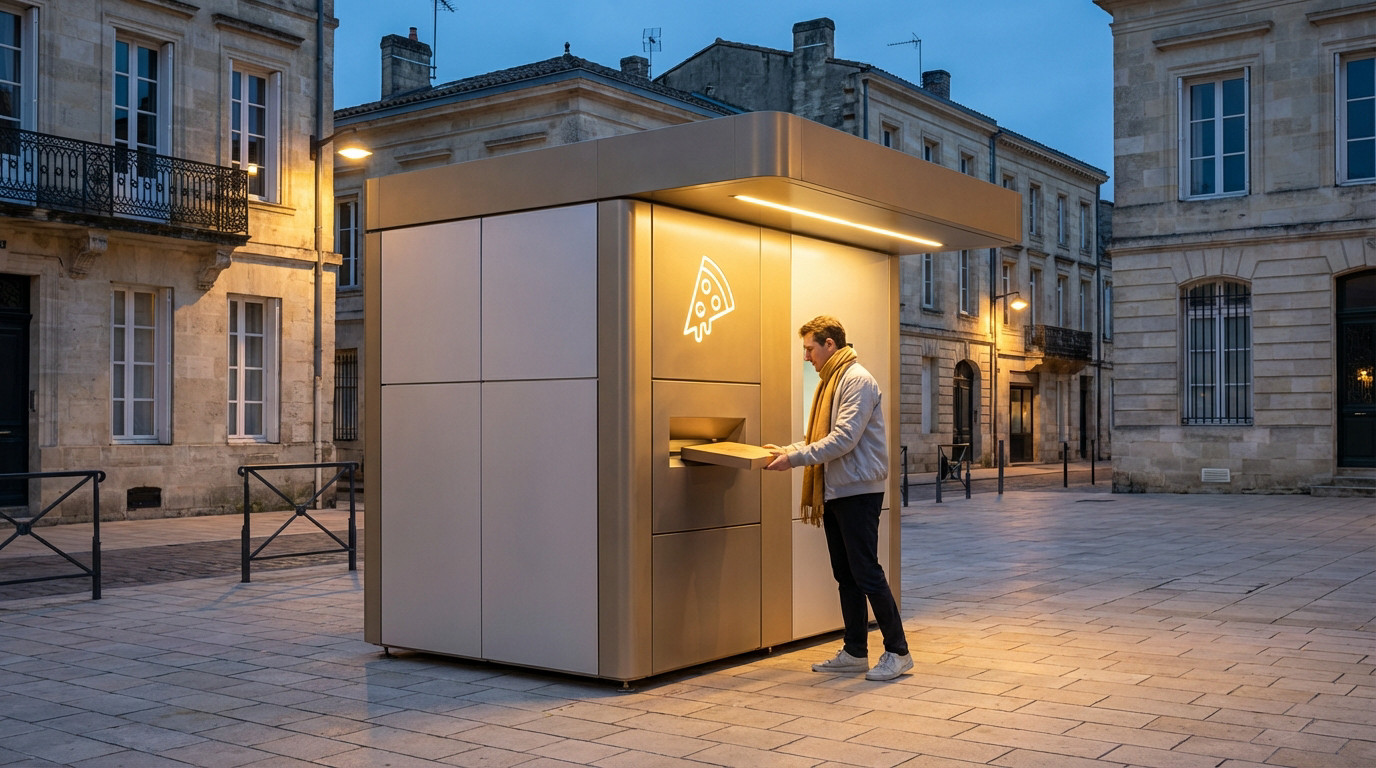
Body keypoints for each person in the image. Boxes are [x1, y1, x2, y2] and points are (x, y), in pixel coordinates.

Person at [764, 315, 912, 682]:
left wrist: (795, 459)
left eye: (809, 349)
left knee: (867, 572)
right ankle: (855, 651)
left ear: (829, 344)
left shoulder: (856, 380)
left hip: (858, 491)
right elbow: (821, 438)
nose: (806, 357)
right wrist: (788, 450)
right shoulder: (832, 382)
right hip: (838, 490)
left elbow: (843, 438)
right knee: (846, 575)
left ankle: (898, 652)